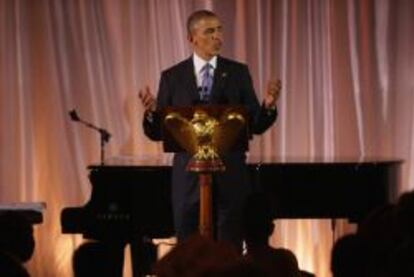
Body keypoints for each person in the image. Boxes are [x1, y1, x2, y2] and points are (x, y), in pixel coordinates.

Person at [139, 10, 281, 250]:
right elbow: (157, 132)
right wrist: (152, 113)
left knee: (230, 245)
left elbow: (254, 123)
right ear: (192, 37)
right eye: (209, 31)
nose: (218, 36)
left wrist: (268, 105)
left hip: (231, 174)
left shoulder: (237, 72)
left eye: (219, 30)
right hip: (187, 177)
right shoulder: (172, 77)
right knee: (189, 247)